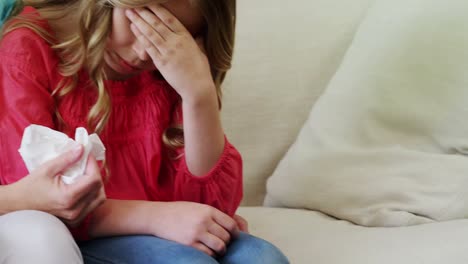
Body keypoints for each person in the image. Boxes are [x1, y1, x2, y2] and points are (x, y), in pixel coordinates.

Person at [0, 0, 289, 263]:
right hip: (82, 234)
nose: (142, 51)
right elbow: (42, 196)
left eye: (167, 39)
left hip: (164, 229)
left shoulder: (167, 72)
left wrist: (198, 94)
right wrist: (157, 217)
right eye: (142, 23)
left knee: (264, 258)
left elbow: (213, 208)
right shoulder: (30, 48)